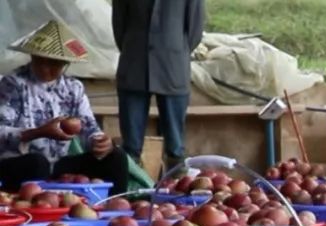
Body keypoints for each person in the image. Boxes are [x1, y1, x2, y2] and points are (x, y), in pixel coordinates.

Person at [0, 20, 129, 194]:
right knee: (37, 163)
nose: (47, 69)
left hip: (57, 163)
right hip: (18, 162)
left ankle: (115, 207)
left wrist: (100, 142)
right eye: (42, 62)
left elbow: (89, 127)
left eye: (55, 64)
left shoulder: (73, 88)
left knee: (116, 156)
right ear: (33, 57)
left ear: (65, 63)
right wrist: (39, 132)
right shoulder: (13, 83)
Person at [113, 0, 206, 171]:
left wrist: (176, 50)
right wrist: (132, 48)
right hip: (134, 64)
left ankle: (175, 188)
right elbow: (119, 25)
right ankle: (131, 188)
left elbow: (194, 30)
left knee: (175, 145)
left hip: (172, 67)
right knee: (131, 145)